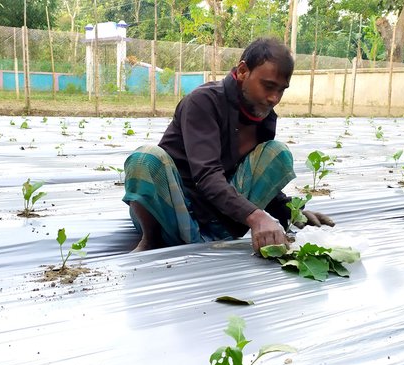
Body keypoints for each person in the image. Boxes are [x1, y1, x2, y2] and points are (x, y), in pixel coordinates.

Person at [122, 37, 333, 253]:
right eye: (268, 86)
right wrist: (256, 216)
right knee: (145, 158)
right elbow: (207, 176)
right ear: (243, 71)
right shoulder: (203, 102)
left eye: (281, 90)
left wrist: (290, 212)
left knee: (277, 152)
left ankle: (214, 238)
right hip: (172, 214)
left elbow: (251, 176)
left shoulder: (265, 118)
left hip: (218, 221)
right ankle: (152, 240)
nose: (274, 98)